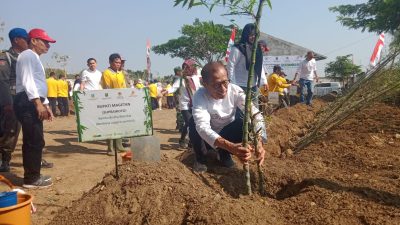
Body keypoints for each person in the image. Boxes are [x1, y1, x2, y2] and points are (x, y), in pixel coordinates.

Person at [189, 62, 267, 172]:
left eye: (225, 82)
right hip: (208, 138)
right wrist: (231, 146)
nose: (223, 89)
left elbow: (255, 114)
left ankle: (223, 153)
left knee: (243, 120)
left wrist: (259, 141)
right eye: (216, 85)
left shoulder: (235, 90)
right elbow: (202, 127)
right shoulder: (200, 96)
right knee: (193, 123)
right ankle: (201, 158)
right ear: (205, 84)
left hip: (228, 132)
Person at [15, 28, 56, 188]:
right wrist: (37, 103)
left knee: (36, 139)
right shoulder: (27, 55)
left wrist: (45, 104)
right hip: (27, 101)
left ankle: (34, 175)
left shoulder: (35, 58)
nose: (48, 45)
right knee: (33, 139)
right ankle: (31, 179)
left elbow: (38, 84)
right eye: (45, 42)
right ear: (33, 41)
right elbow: (28, 81)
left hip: (32, 100)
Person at [0, 28, 29, 172]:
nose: (28, 41)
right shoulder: (6, 56)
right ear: (16, 40)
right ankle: (5, 160)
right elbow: (3, 81)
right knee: (11, 130)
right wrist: (7, 103)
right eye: (26, 38)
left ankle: (35, 158)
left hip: (27, 98)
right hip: (12, 98)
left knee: (33, 130)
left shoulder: (28, 56)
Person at [227, 23, 268, 107]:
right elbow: (230, 66)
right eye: (251, 35)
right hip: (240, 85)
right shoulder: (238, 48)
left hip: (253, 85)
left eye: (255, 35)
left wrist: (264, 81)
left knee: (255, 108)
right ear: (246, 35)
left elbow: (260, 66)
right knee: (242, 109)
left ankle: (254, 121)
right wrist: (233, 83)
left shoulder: (257, 49)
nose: (253, 37)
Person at [101, 53, 128, 156]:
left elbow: (124, 86)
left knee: (120, 123)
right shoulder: (106, 73)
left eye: (119, 63)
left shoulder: (120, 73)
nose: (118, 64)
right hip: (110, 102)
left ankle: (119, 145)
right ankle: (110, 147)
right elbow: (106, 88)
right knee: (110, 125)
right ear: (110, 62)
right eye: (116, 62)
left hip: (120, 102)